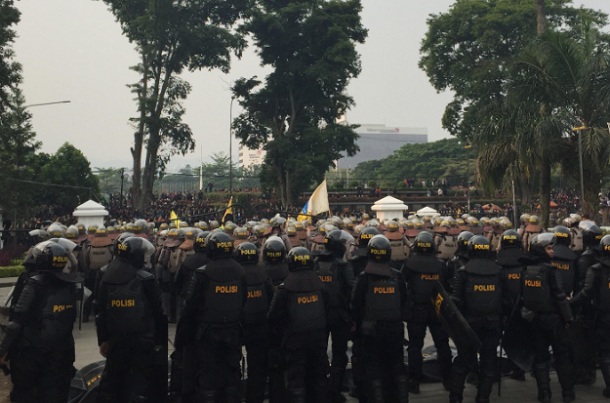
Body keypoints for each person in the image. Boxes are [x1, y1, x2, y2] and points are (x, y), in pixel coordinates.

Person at [0, 241, 82, 403]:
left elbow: (17, 320)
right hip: (60, 351)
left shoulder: (33, 283)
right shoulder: (70, 285)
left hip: (32, 352)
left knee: (24, 393)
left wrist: (3, 350)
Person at [96, 235, 167, 402]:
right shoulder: (146, 278)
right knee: (139, 383)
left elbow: (100, 311)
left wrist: (103, 340)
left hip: (115, 341)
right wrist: (160, 342)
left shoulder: (105, 275)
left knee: (111, 382)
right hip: (142, 341)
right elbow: (158, 311)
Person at [179, 231, 247, 402]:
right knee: (232, 374)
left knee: (208, 376)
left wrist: (183, 335)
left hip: (208, 331)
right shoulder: (240, 271)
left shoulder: (203, 273)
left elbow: (190, 305)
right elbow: (243, 300)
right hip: (233, 330)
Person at [449, 235, 508, 403]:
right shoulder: (499, 271)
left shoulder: (463, 272)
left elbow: (456, 301)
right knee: (489, 361)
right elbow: (506, 299)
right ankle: (483, 398)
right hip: (493, 323)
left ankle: (455, 397)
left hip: (469, 324)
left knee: (462, 361)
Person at [351, 235, 409, 403]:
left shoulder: (364, 277)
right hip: (395, 328)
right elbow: (404, 301)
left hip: (371, 330)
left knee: (373, 367)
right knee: (397, 365)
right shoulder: (397, 276)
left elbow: (354, 304)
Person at [268, 247, 329, 402]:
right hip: (318, 339)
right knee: (319, 377)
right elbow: (328, 309)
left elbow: (273, 316)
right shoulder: (320, 285)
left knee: (296, 380)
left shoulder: (285, 288)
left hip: (294, 341)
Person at [521, 233, 575, 403]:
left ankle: (544, 393)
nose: (552, 251)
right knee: (562, 357)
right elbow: (559, 296)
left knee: (541, 358)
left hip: (535, 319)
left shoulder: (526, 270)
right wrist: (568, 318)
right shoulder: (551, 270)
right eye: (549, 248)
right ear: (540, 250)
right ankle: (567, 393)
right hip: (554, 320)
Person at [402, 230, 452, 393]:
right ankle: (448, 379)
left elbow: (403, 283)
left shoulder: (410, 264)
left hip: (417, 308)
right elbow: (447, 286)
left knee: (415, 346)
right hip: (437, 309)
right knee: (442, 344)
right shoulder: (440, 265)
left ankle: (413, 381)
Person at [316, 229, 356, 402]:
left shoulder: (316, 262)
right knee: (339, 354)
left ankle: (320, 389)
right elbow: (352, 291)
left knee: (320, 353)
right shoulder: (343, 265)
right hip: (339, 315)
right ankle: (334, 391)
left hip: (319, 314)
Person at [571, 235, 610, 398]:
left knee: (605, 352)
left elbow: (586, 293)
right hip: (603, 315)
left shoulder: (596, 269)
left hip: (603, 316)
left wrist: (570, 304)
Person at [237, 242, 275, 403]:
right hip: (260, 327)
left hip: (237, 326)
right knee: (257, 367)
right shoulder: (263, 273)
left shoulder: (235, 274)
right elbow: (272, 299)